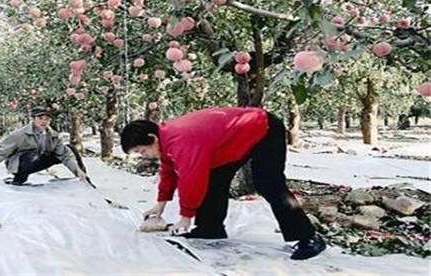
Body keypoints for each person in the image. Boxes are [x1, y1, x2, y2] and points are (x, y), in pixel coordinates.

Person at [120, 106, 326, 260]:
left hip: (263, 128)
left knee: (268, 182)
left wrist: (186, 217)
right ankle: (210, 228)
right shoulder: (165, 140)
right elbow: (168, 171)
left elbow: (192, 178)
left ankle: (309, 238)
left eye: (141, 151)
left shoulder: (181, 139)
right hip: (231, 143)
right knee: (214, 178)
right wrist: (160, 204)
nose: (143, 155)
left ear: (151, 138)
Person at [0, 106, 88, 185]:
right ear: (33, 119)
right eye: (40, 118)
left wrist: (76, 170)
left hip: (40, 159)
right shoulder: (20, 134)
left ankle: (83, 178)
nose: (43, 122)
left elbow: (65, 155)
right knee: (32, 154)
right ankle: (19, 178)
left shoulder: (53, 135)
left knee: (70, 149)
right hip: (22, 163)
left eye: (47, 119)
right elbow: (0, 152)